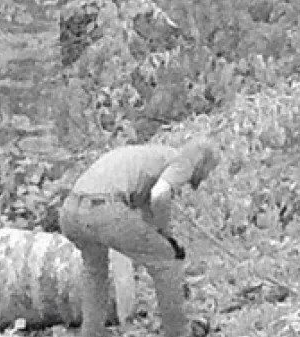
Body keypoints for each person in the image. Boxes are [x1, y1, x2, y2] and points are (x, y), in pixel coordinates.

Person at [59, 138, 218, 337]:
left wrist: (161, 235)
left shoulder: (149, 157)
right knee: (167, 261)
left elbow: (146, 210)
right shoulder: (183, 160)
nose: (204, 177)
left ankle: (92, 332)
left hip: (71, 211)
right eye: (209, 170)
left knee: (94, 270)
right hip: (104, 210)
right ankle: (179, 332)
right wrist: (167, 240)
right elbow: (160, 194)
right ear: (202, 161)